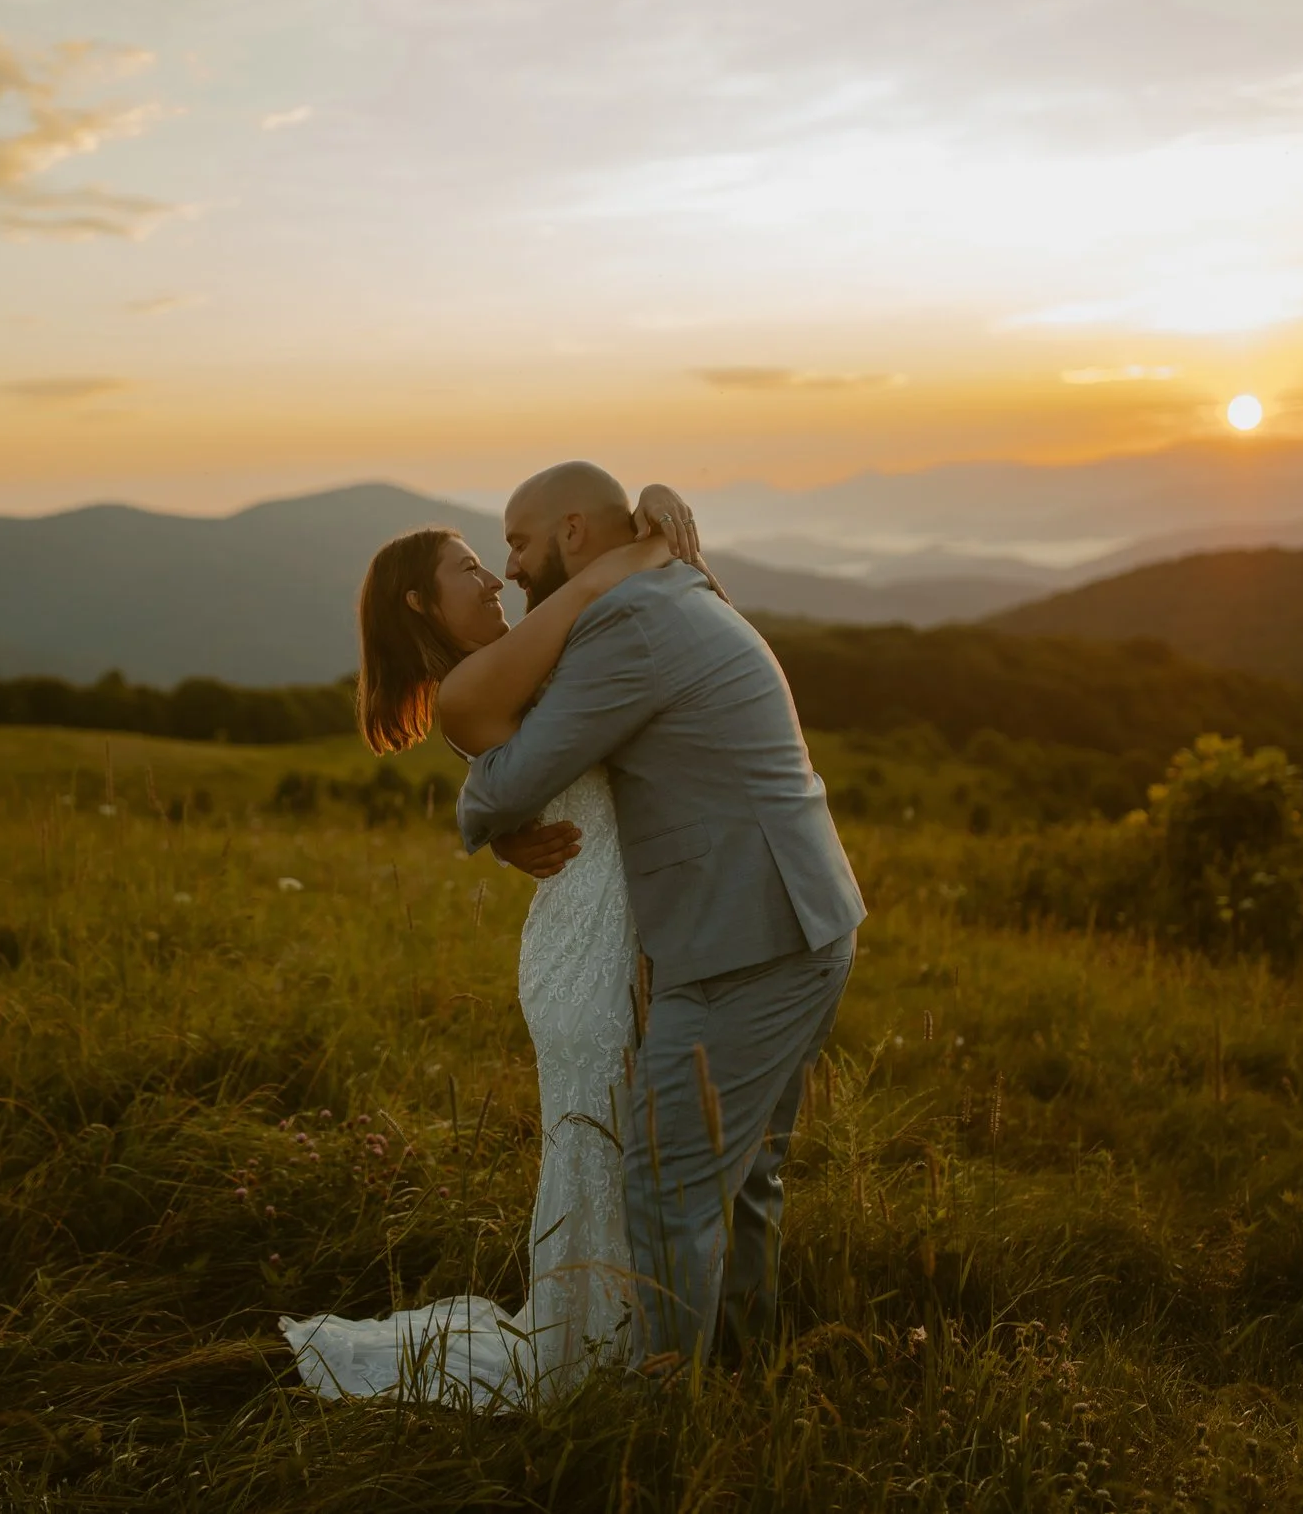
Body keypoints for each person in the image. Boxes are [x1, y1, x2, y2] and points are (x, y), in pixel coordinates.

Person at [278, 480, 702, 1405]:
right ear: (420, 603)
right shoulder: (481, 682)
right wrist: (653, 534)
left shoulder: (507, 664)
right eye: (468, 568)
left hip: (604, 927)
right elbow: (589, 595)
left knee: (619, 1148)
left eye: (490, 559)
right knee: (601, 1148)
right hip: (586, 948)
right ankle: (601, 1354)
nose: (494, 579)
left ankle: (626, 1341)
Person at [457, 461, 864, 1375]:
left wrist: (479, 814)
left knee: (666, 1179)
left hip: (748, 941)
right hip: (805, 919)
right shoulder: (673, 585)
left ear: (572, 531)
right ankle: (741, 1376)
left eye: (518, 542)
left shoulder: (627, 623)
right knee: (744, 1178)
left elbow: (511, 779)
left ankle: (668, 1410)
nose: (509, 567)